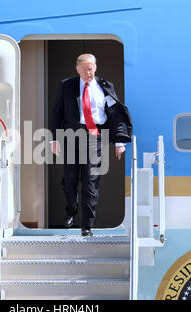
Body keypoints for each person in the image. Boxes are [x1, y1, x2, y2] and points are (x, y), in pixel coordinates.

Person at [49, 53, 132, 236]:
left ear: (96, 67)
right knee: (70, 180)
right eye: (85, 69)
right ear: (77, 69)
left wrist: (120, 142)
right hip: (71, 135)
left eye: (92, 68)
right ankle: (72, 209)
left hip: (95, 137)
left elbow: (117, 115)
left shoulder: (105, 87)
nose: (89, 73)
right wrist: (53, 139)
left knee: (90, 182)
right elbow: (57, 113)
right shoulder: (66, 86)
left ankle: (87, 226)